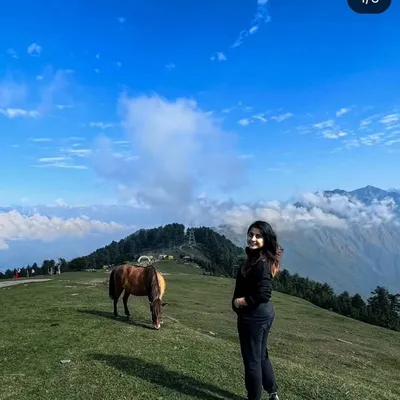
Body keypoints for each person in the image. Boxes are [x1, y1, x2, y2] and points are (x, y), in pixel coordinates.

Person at [232, 220, 283, 400]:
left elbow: (264, 293)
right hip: (263, 315)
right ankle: (272, 391)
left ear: (265, 239)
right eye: (251, 234)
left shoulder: (261, 262)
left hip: (254, 318)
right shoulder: (259, 258)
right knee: (261, 355)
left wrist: (240, 301)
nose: (253, 239)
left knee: (252, 360)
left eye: (258, 236)